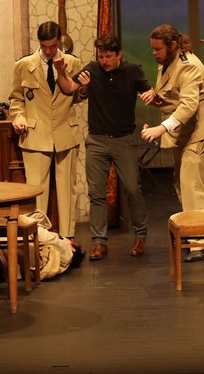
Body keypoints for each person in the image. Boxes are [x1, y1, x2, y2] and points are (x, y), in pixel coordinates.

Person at [54, 35, 152, 261]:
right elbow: (69, 88)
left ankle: (140, 236)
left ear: (119, 55)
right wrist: (61, 72)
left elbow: (150, 92)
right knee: (96, 193)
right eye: (101, 56)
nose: (104, 61)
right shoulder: (92, 69)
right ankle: (99, 242)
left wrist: (151, 94)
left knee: (132, 189)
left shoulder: (132, 71)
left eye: (108, 56)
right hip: (97, 140)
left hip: (124, 139)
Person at [140, 24, 204, 262]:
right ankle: (195, 232)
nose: (154, 53)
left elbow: (188, 106)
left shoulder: (189, 67)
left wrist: (160, 128)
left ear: (173, 46)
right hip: (187, 133)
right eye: (153, 49)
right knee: (181, 182)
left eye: (158, 49)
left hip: (202, 131)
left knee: (192, 185)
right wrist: (156, 98)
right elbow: (173, 95)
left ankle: (201, 242)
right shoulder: (168, 62)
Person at [9, 21, 82, 238]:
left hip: (65, 133)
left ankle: (68, 238)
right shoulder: (23, 65)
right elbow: (16, 99)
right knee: (36, 190)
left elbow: (78, 96)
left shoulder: (72, 63)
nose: (48, 51)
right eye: (44, 46)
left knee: (67, 189)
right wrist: (19, 118)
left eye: (52, 46)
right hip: (35, 134)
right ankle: (38, 239)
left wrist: (84, 89)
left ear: (59, 41)